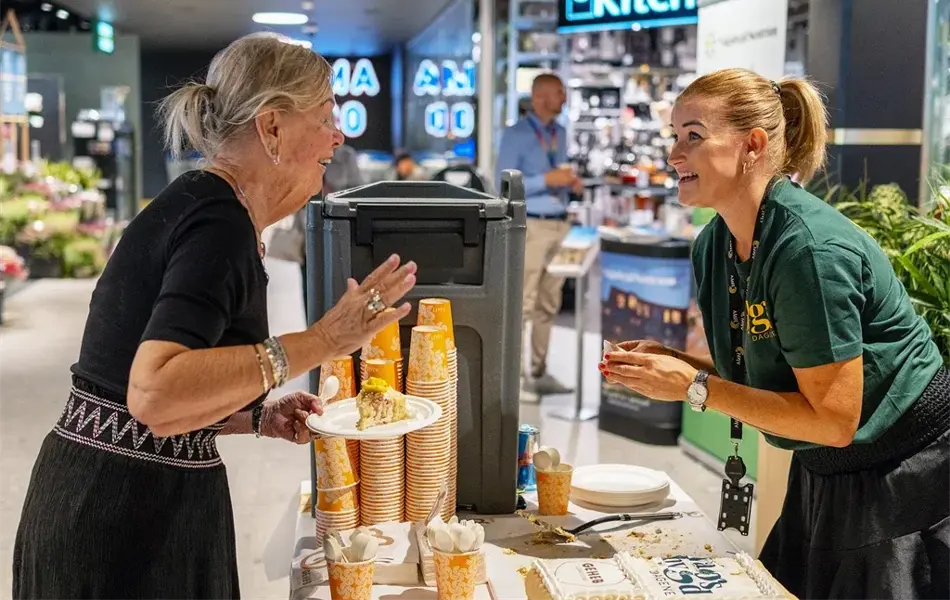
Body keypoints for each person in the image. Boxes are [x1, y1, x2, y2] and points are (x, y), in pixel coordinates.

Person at [12, 33, 417, 599]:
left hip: (108, 502)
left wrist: (252, 417)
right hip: (122, 528)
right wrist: (322, 339)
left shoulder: (205, 206)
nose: (339, 134)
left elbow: (137, 401)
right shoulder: (218, 222)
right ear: (272, 128)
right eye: (327, 115)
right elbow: (153, 394)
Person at [600, 68, 950, 599]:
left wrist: (694, 390)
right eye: (674, 136)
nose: (674, 154)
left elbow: (832, 419)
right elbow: (770, 374)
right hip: (826, 466)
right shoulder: (713, 245)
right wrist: (678, 365)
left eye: (693, 136)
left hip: (902, 475)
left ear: (752, 145)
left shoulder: (809, 251)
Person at [496, 73, 582, 402]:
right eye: (560, 92)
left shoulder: (560, 133)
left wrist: (569, 182)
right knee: (525, 302)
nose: (564, 98)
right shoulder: (516, 135)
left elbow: (557, 172)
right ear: (542, 97)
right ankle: (516, 379)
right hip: (531, 226)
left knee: (550, 303)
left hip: (561, 223)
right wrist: (548, 178)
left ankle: (540, 371)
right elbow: (504, 185)